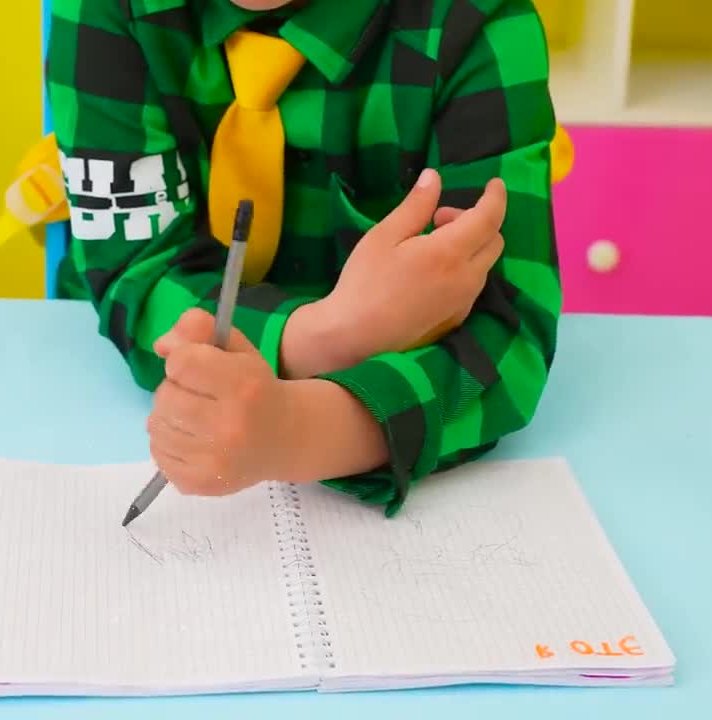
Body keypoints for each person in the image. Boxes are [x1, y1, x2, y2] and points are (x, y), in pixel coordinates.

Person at [43, 0, 560, 516]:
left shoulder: (478, 20)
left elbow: (506, 344)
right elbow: (138, 273)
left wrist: (298, 429)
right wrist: (332, 335)